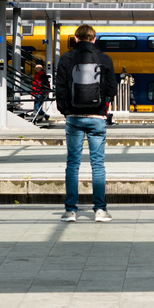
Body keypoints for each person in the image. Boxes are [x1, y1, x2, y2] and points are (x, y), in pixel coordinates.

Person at [55, 24, 117, 223]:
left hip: (73, 117)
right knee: (97, 164)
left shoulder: (66, 58)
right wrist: (101, 106)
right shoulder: (104, 58)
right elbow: (111, 89)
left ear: (75, 39)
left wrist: (65, 110)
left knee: (72, 164)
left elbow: (61, 88)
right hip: (97, 117)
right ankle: (100, 210)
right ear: (94, 38)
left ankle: (70, 211)